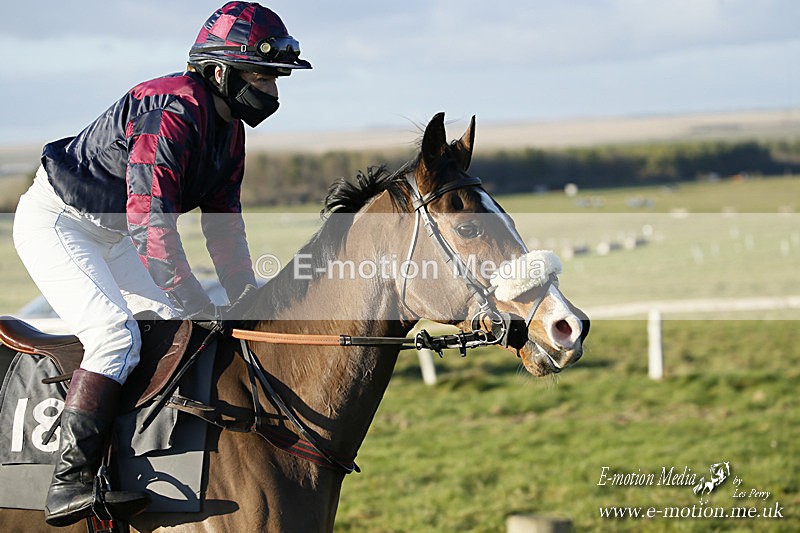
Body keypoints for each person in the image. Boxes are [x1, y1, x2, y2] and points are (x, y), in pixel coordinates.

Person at [11, 2, 311, 526]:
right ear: (221, 71)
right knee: (114, 337)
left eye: (276, 78)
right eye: (263, 76)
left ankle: (130, 464)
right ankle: (71, 480)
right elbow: (152, 225)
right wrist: (197, 300)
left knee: (172, 332)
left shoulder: (229, 133)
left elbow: (225, 229)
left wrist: (244, 299)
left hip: (112, 234)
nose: (273, 92)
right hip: (59, 223)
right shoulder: (171, 110)